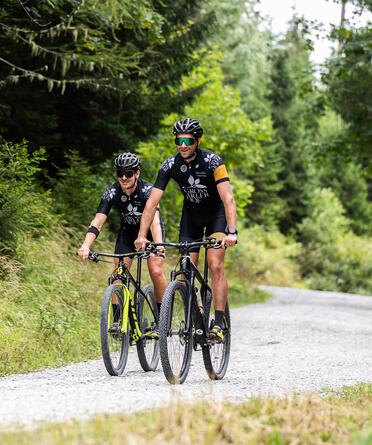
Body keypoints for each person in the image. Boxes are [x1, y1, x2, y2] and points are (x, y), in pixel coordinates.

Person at [135, 118, 237, 342]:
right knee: (184, 271)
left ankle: (218, 323)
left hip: (216, 217)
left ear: (197, 141)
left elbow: (228, 199)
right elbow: (151, 203)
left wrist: (231, 231)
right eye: (178, 140)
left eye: (187, 141)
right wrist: (142, 235)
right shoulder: (170, 165)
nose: (182, 145)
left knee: (215, 264)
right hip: (191, 218)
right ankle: (196, 310)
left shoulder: (213, 162)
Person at [78, 152, 167, 338]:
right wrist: (85, 245)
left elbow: (155, 221)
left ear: (137, 173)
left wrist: (157, 244)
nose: (124, 177)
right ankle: (118, 321)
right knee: (118, 273)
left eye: (128, 173)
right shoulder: (112, 192)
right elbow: (98, 221)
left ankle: (162, 319)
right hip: (127, 234)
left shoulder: (147, 191)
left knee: (156, 270)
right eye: (120, 173)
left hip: (150, 232)